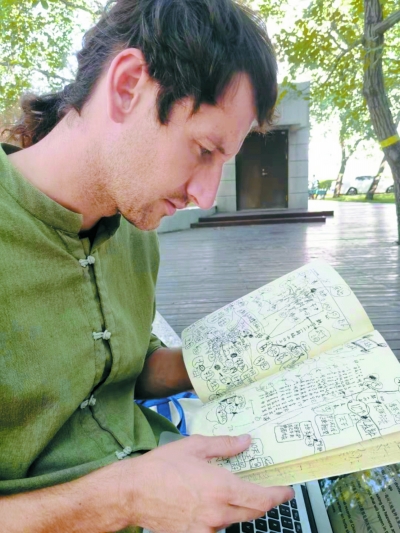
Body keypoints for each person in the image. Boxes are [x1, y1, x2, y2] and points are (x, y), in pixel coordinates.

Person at [0, 0, 293, 531]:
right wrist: (126, 497)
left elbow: (123, 369)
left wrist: (238, 354)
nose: (206, 195)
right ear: (128, 85)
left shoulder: (136, 232)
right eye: (203, 150)